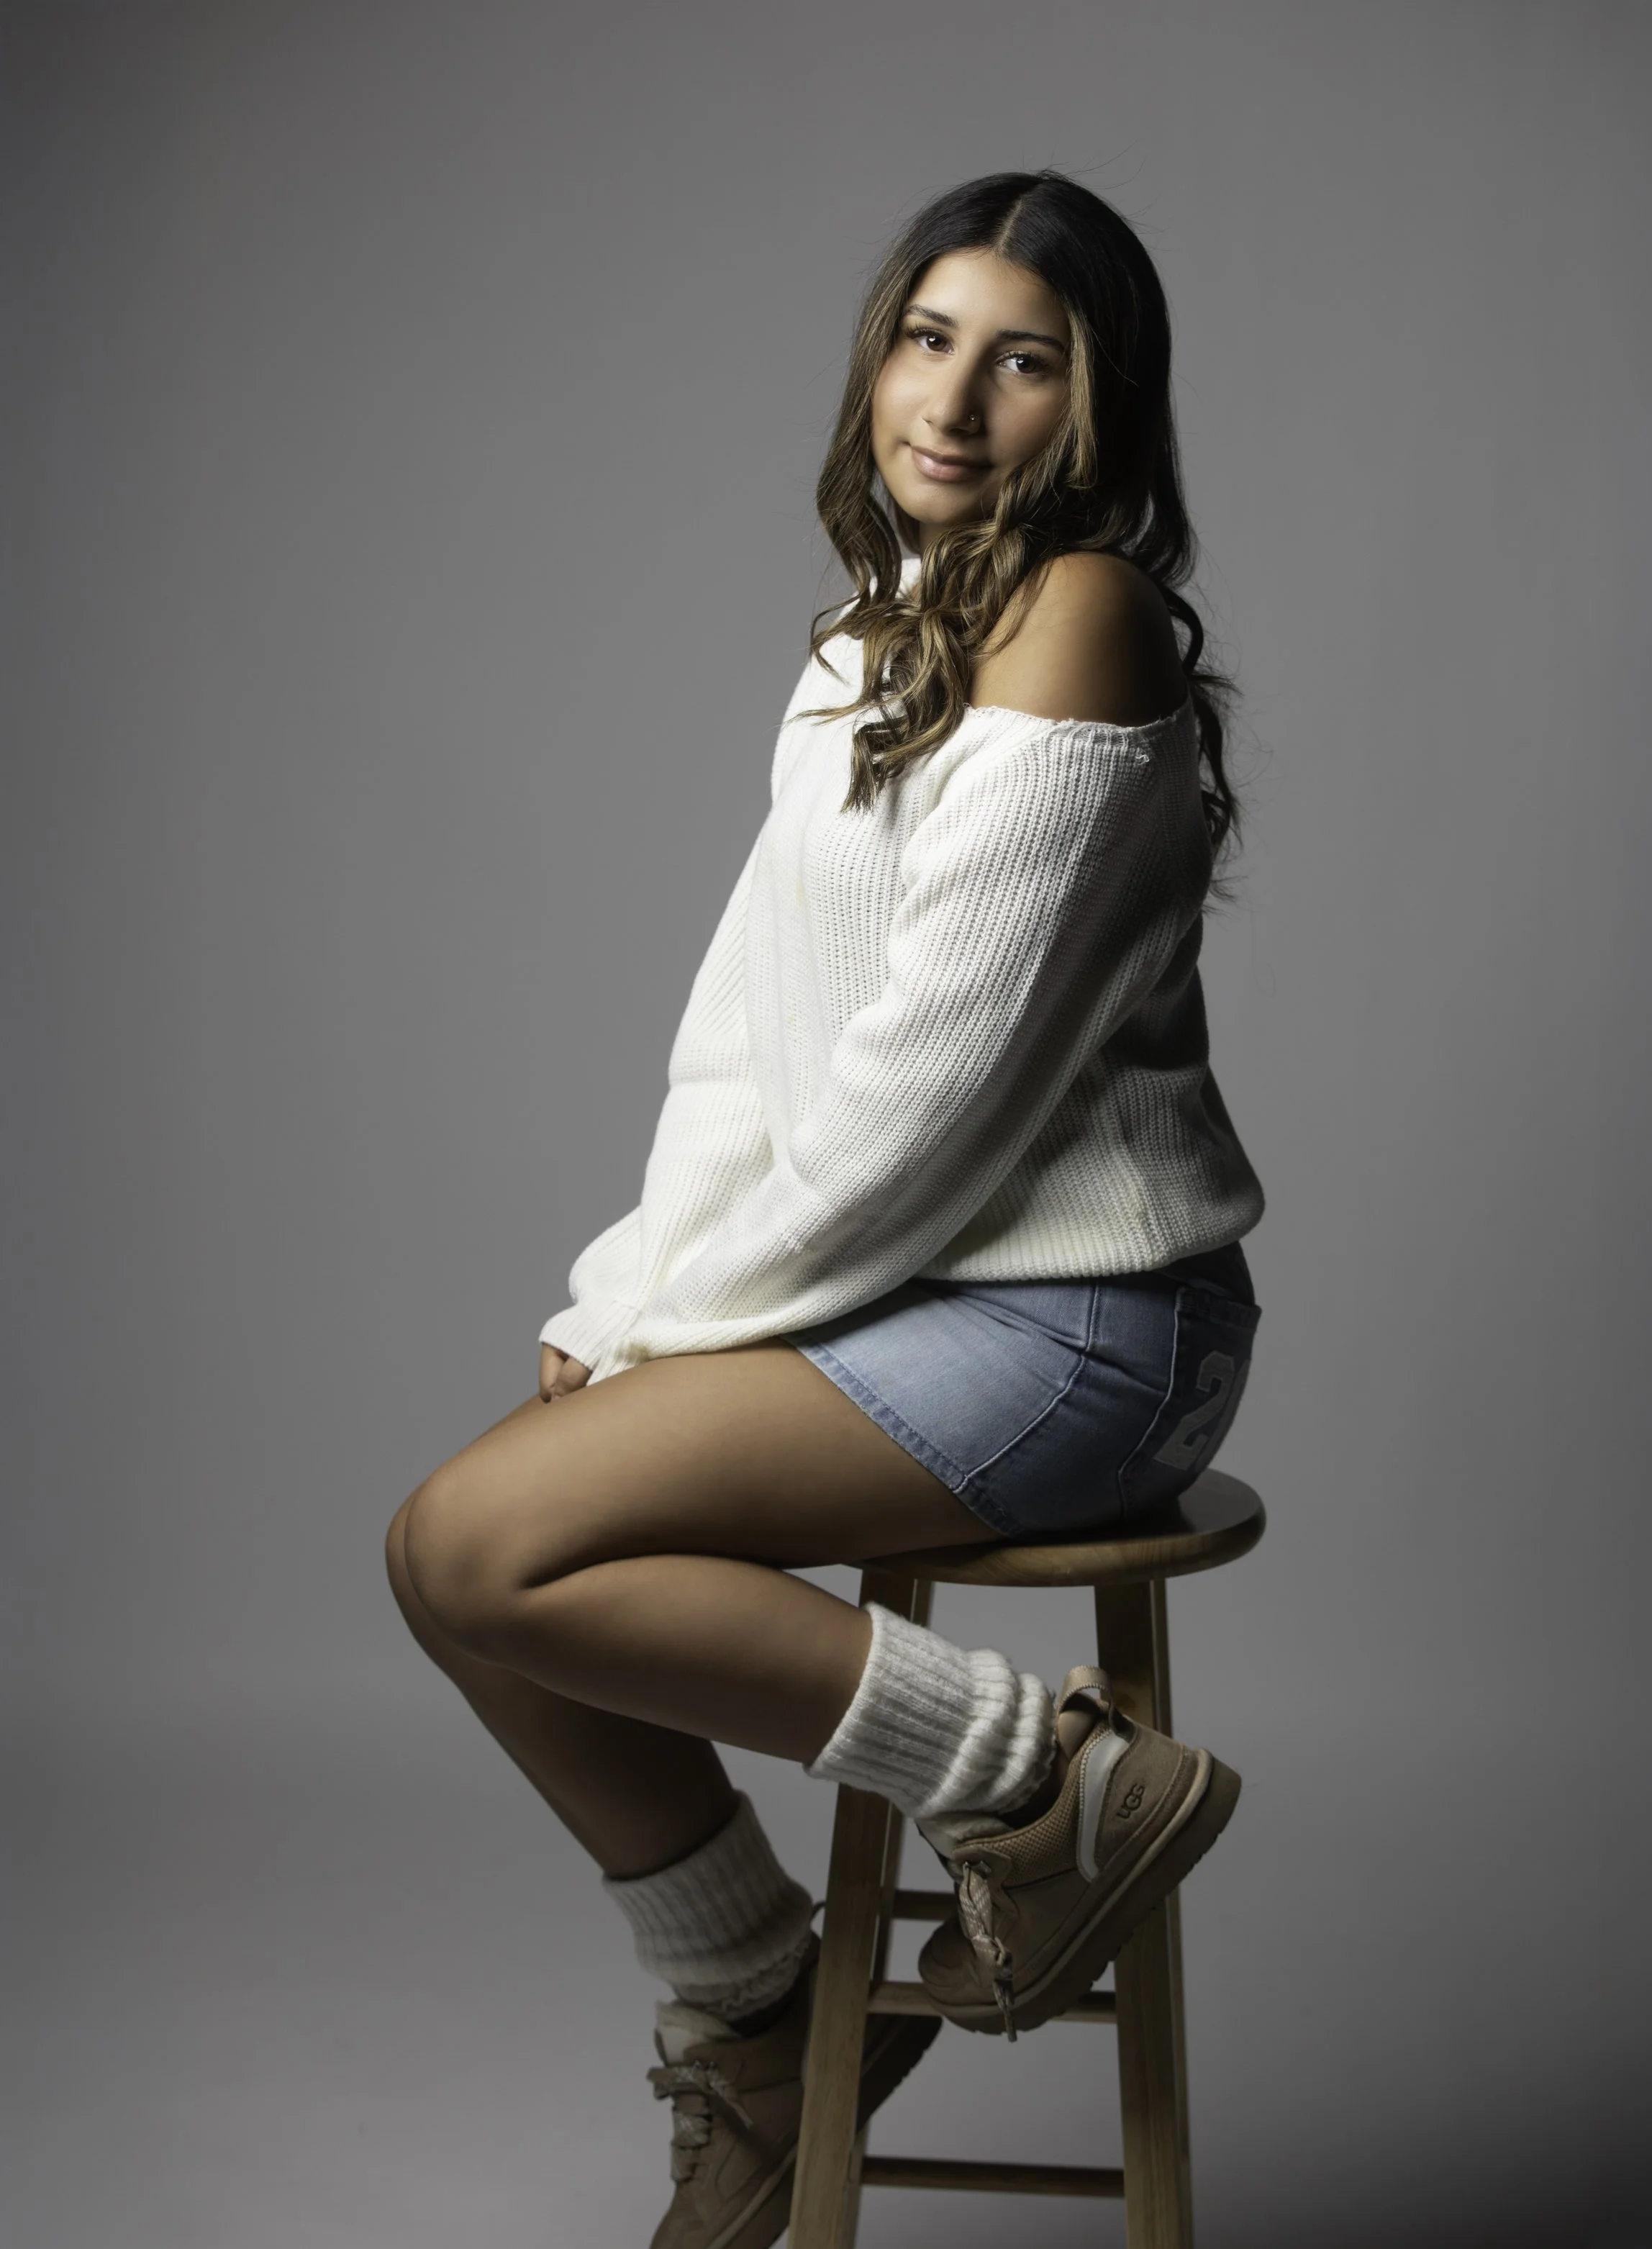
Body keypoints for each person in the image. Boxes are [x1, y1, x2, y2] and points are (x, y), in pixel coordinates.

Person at [385, 167, 1267, 2248]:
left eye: (1023, 360)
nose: (954, 400)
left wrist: (679, 1327)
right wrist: (626, 1289)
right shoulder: (874, 636)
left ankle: (1038, 1779)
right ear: (875, 360)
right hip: (909, 1301)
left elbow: (919, 1113)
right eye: (925, 338)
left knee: (489, 1533)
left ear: (1101, 412)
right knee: (468, 1559)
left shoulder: (1078, 612)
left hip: (1088, 1321)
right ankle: (765, 2011)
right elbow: (756, 1041)